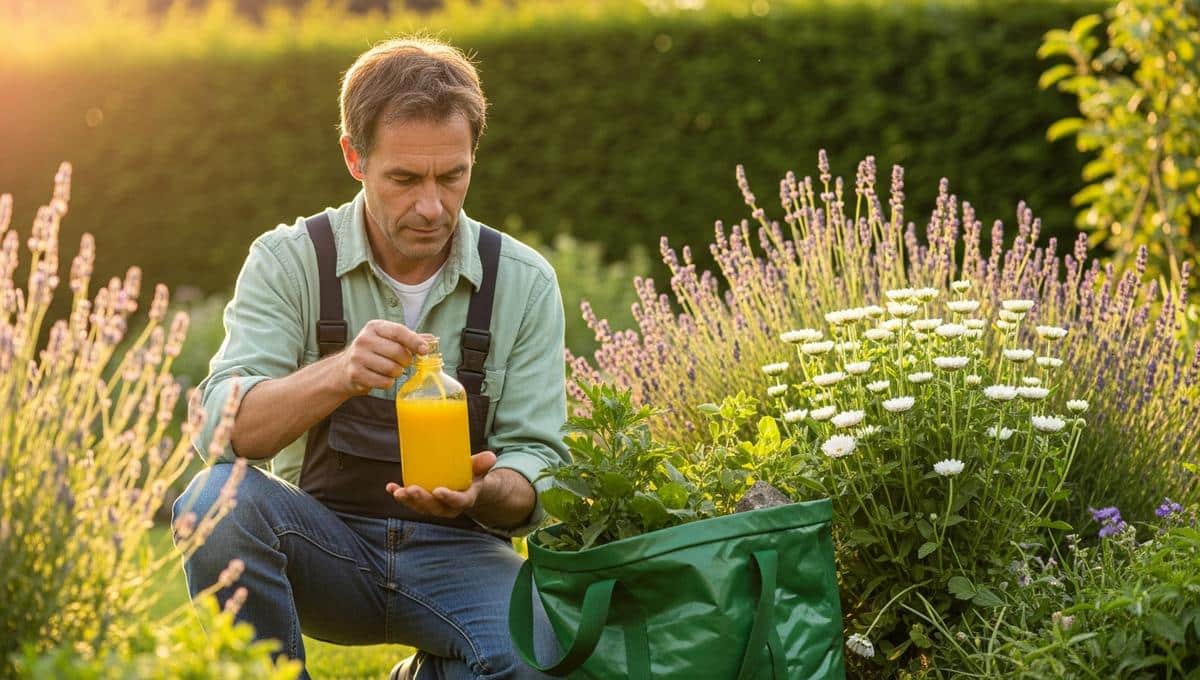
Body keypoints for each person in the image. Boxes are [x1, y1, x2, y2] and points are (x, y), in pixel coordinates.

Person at [172, 37, 566, 679]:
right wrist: (341, 372)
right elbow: (222, 431)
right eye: (405, 179)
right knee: (214, 501)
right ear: (354, 158)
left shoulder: (523, 281)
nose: (432, 206)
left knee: (538, 660)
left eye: (453, 176)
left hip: (459, 557)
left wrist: (485, 489)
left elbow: (541, 462)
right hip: (325, 544)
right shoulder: (289, 261)